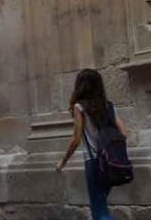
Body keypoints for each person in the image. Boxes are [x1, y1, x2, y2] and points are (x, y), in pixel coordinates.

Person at [56, 69, 129, 220]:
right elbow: (123, 133)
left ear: (81, 86)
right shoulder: (109, 106)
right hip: (112, 161)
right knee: (101, 206)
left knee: (99, 211)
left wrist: (63, 161)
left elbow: (76, 139)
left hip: (94, 161)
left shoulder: (79, 108)